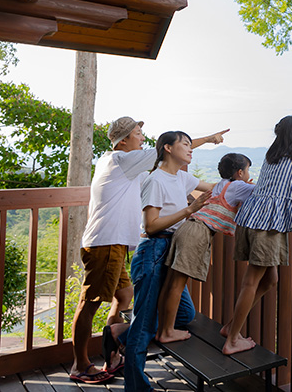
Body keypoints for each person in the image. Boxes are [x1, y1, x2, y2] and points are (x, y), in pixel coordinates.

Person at [69, 118, 226, 385]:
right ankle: (80, 364)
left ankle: (116, 339)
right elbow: (165, 150)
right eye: (138, 134)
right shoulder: (120, 160)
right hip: (106, 242)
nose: (142, 138)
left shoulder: (131, 169)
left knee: (125, 296)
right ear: (123, 141)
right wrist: (209, 139)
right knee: (90, 303)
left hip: (117, 243)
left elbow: (168, 167)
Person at [123, 131, 218, 392]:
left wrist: (250, 187)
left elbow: (212, 188)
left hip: (172, 250)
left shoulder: (182, 176)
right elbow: (150, 226)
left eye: (190, 144)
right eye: (185, 144)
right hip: (153, 251)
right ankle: (136, 387)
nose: (190, 149)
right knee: (143, 328)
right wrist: (189, 210)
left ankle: (119, 335)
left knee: (184, 313)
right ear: (167, 148)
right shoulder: (156, 180)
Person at [221, 116, 292, 355]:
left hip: (250, 217)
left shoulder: (271, 155)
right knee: (251, 282)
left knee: (270, 280)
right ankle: (231, 340)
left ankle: (231, 326)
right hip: (268, 223)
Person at [155, 153, 255, 343]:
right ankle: (166, 332)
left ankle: (163, 329)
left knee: (170, 283)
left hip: (187, 228)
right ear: (240, 172)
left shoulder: (220, 185)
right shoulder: (237, 186)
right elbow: (263, 192)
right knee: (177, 285)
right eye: (247, 170)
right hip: (198, 232)